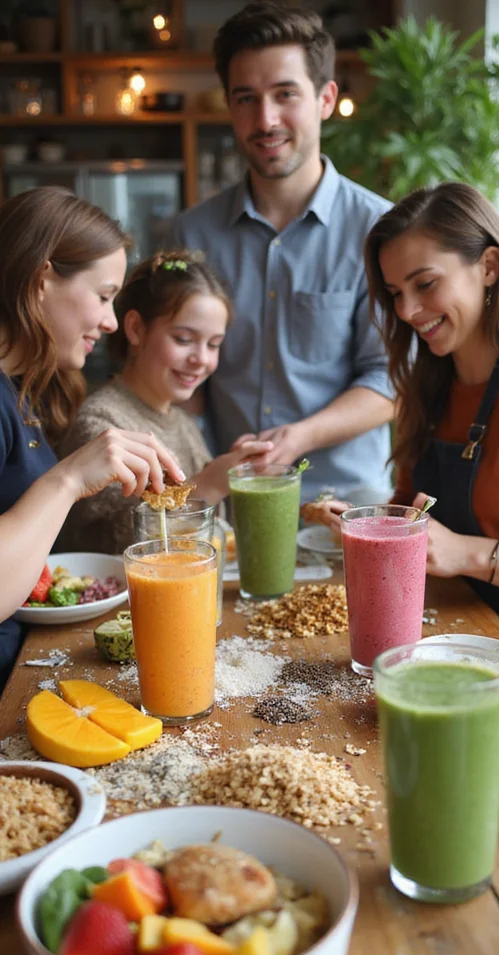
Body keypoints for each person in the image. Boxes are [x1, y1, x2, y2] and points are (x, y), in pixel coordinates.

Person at [320, 181, 499, 690]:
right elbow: (411, 508)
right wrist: (374, 527)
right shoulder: (428, 382)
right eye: (395, 293)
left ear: (489, 267)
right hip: (450, 638)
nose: (406, 310)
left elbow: (453, 548)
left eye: (425, 283)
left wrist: (465, 553)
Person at [167, 1, 395, 502]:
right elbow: (179, 380)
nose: (265, 119)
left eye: (285, 94)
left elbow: (391, 379)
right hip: (229, 505)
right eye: (246, 98)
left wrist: (300, 438)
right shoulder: (191, 234)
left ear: (326, 99)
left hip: (347, 506)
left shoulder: (380, 232)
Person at [0, 187, 187, 687]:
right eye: (103, 296)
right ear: (41, 279)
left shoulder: (26, 391)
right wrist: (69, 479)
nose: (110, 321)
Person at [57, 251, 272, 554]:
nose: (201, 359)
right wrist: (208, 485)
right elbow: (113, 546)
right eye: (184, 339)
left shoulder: (183, 422)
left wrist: (232, 469)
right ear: (135, 328)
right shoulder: (99, 423)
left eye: (214, 345)